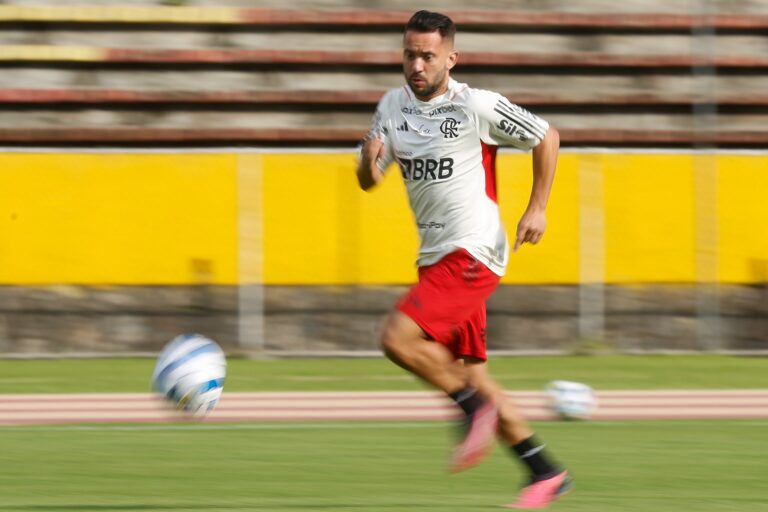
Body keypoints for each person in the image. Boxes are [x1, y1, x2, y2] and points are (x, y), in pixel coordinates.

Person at [355, 9, 572, 510]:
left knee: (396, 338)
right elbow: (369, 179)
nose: (417, 65)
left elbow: (546, 136)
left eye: (428, 55)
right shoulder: (391, 106)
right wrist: (368, 164)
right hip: (435, 259)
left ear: (451, 58)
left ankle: (472, 410)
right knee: (472, 374)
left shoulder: (477, 105)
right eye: (410, 54)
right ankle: (545, 470)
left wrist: (536, 207)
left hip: (474, 251)